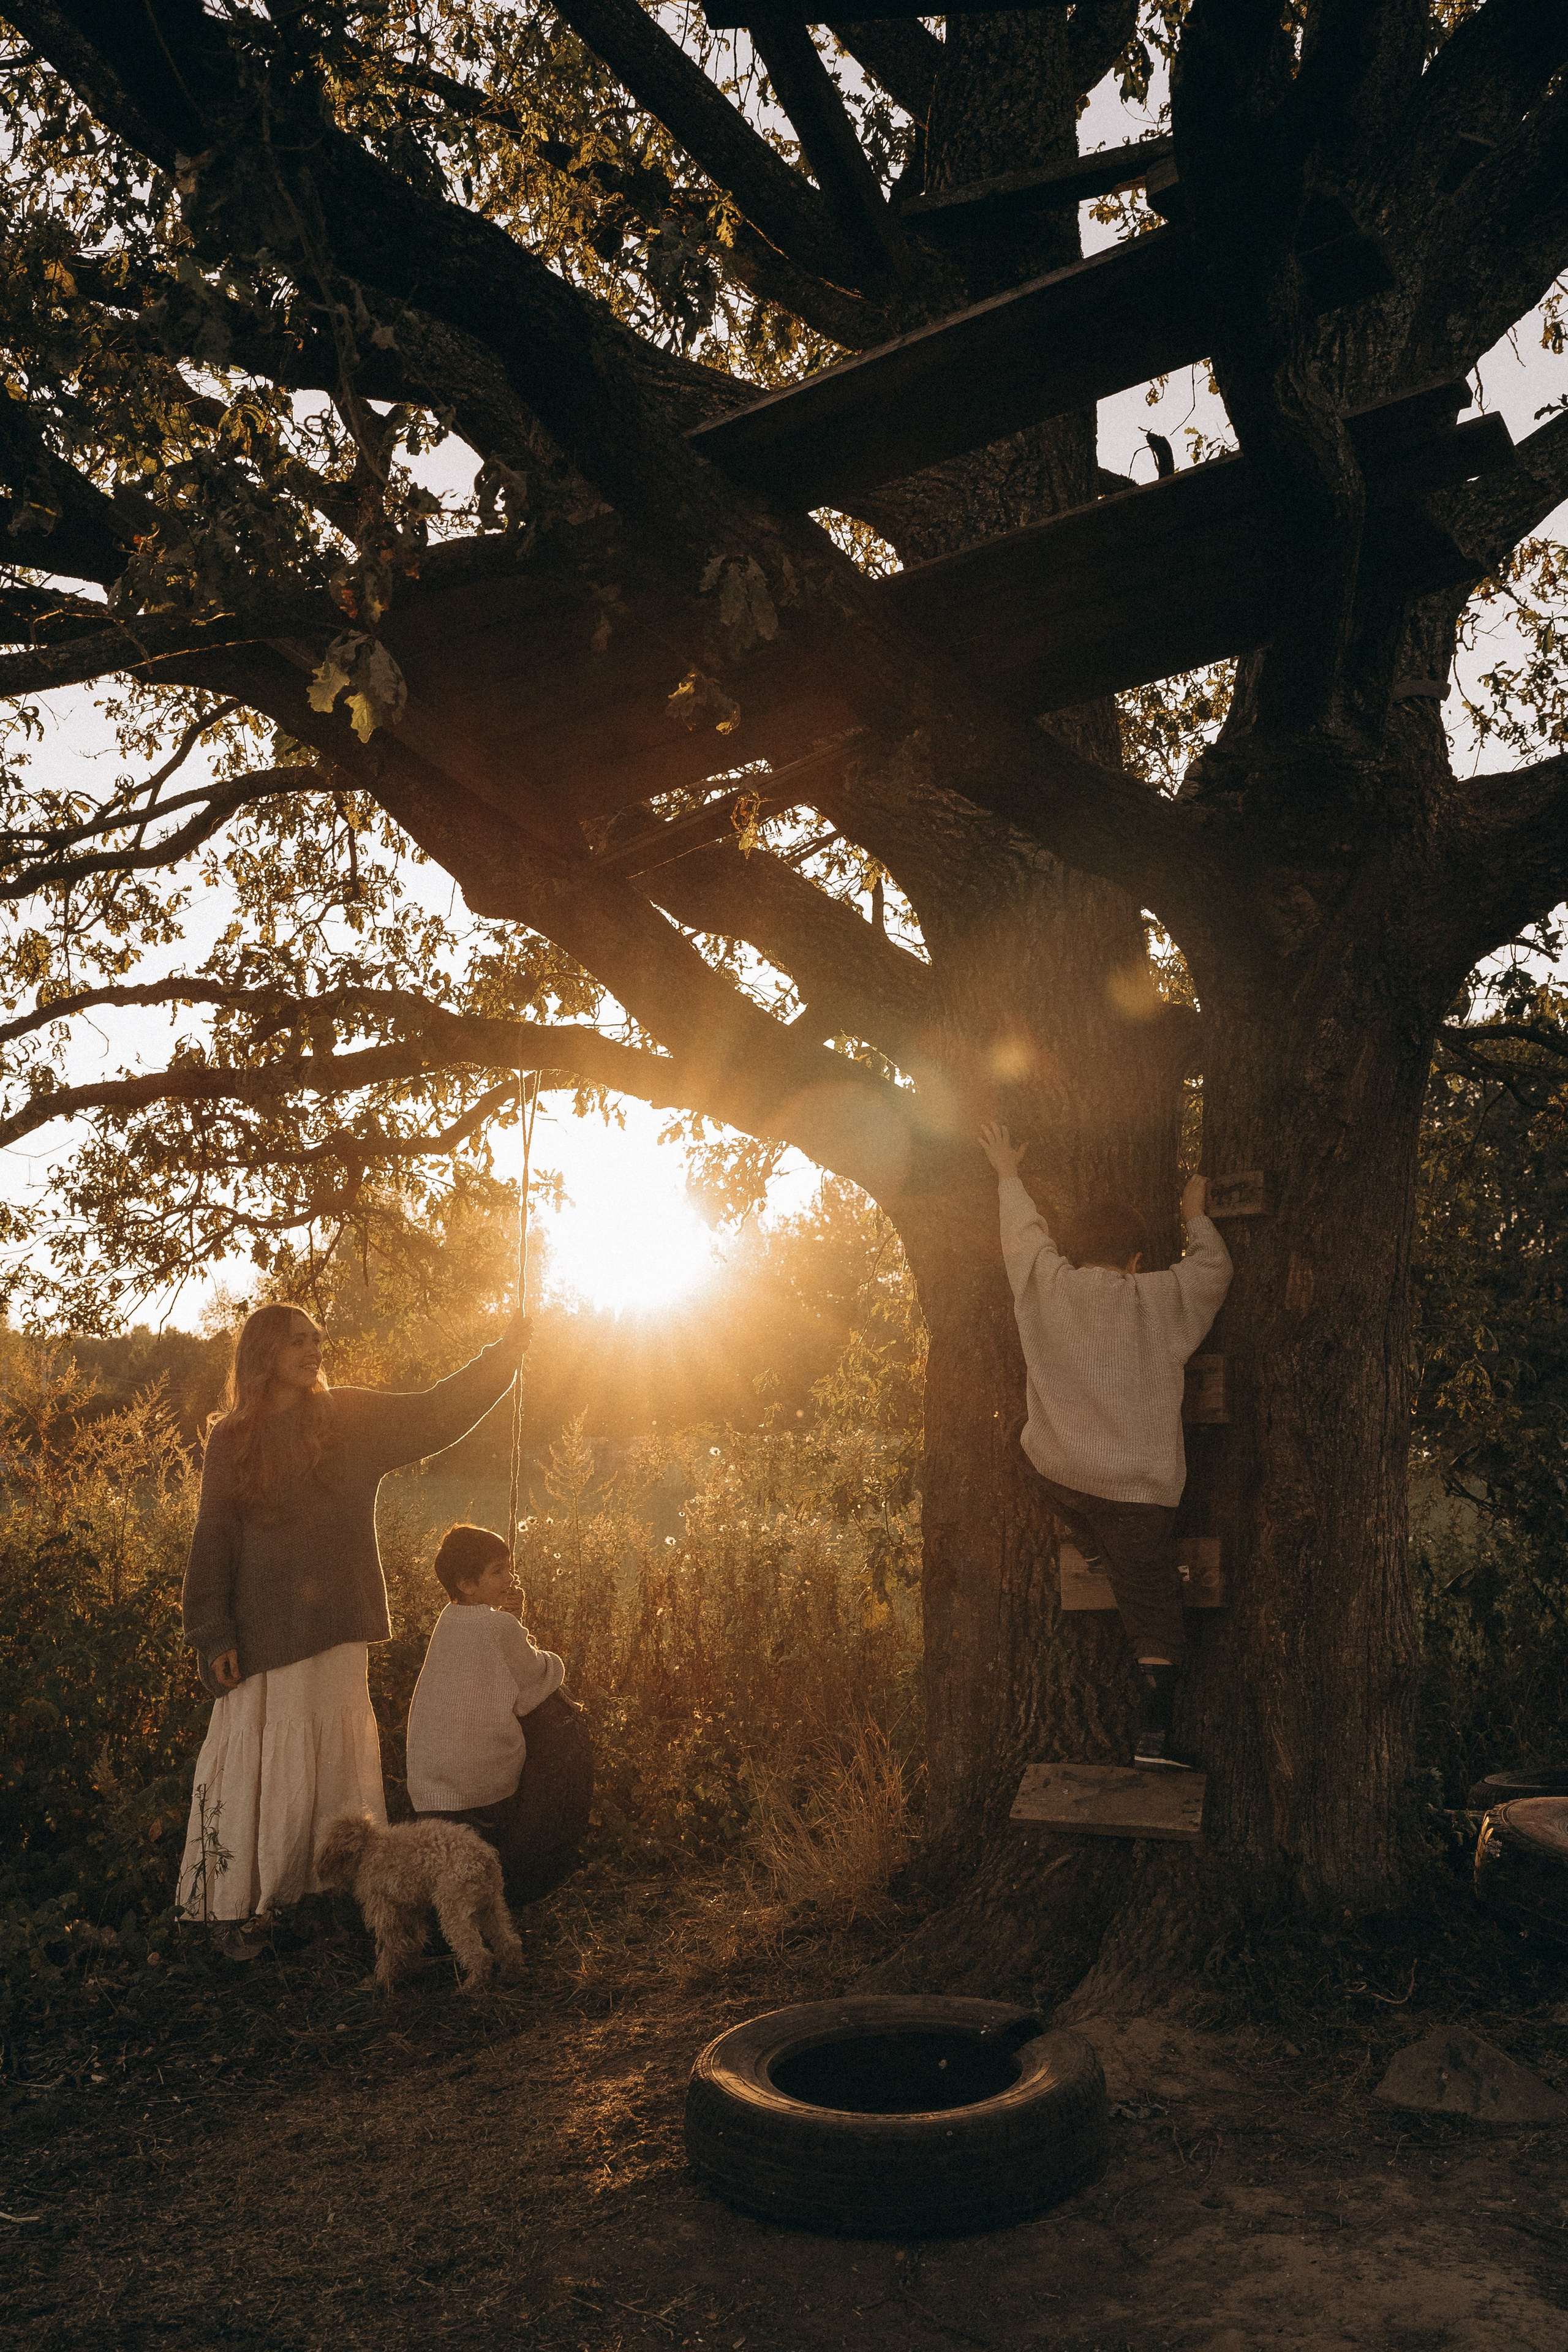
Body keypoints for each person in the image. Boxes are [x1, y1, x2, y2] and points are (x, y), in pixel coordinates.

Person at [176, 1304, 530, 1940]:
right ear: (263, 1354)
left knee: (334, 1760)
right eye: (297, 1342)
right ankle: (258, 1901)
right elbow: (215, 1537)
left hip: (336, 1622)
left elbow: (435, 1413)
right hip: (259, 1631)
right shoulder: (232, 1438)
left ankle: (334, 1897)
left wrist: (502, 1354)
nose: (313, 1351)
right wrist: (212, 1631)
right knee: (269, 1756)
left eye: (317, 1340)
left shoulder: (346, 1418)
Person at [978, 1121, 1232, 1769]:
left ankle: (1090, 1538)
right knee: (1153, 1610)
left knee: (1019, 1442)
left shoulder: (1049, 1286)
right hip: (1138, 1494)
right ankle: (1152, 1740)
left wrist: (1008, 1171)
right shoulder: (1159, 1298)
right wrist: (1194, 1216)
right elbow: (1212, 1268)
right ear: (1136, 1261)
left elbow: (1022, 1238)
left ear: (1076, 1249)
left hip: (1061, 1472)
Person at [406, 1524, 594, 1904]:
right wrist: (527, 1636)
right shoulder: (499, 1626)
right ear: (467, 1584)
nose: (510, 1578)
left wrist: (510, 1620)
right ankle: (539, 1868)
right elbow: (534, 1681)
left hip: (430, 1782)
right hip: (481, 1783)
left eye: (508, 1568)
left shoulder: (448, 1621)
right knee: (561, 1719)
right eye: (498, 1571)